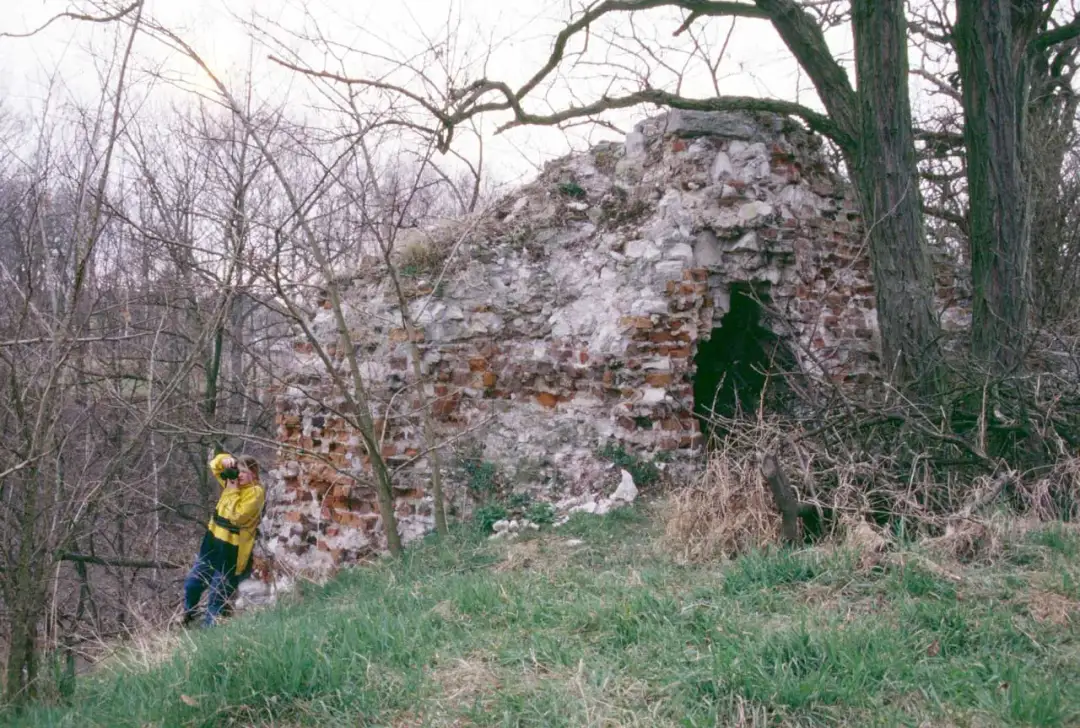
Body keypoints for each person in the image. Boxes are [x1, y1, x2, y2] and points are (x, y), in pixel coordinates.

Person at [181, 451, 265, 627]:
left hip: (231, 554)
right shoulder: (230, 483)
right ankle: (189, 616)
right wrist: (226, 460)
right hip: (211, 547)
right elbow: (214, 465)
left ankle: (209, 636)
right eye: (237, 470)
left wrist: (233, 490)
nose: (239, 475)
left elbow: (238, 517)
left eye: (243, 472)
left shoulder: (255, 492)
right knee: (192, 584)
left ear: (254, 474)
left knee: (216, 598)